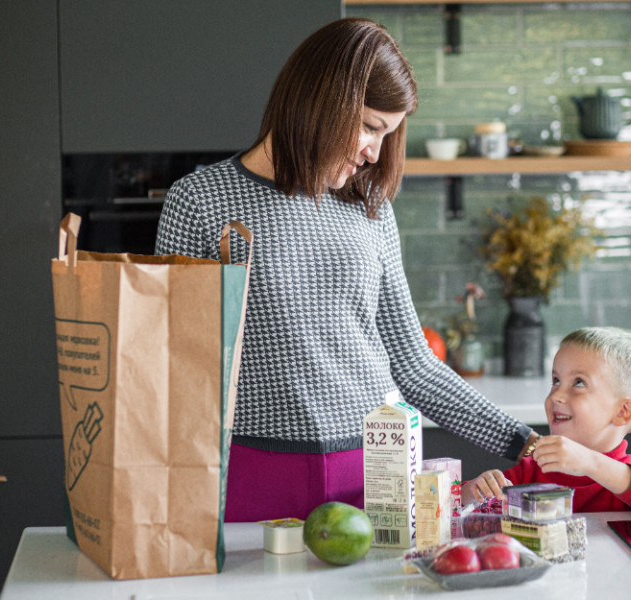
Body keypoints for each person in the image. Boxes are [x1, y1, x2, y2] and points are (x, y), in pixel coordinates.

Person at [155, 17, 539, 522]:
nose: (375, 153)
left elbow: (413, 363)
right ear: (319, 102)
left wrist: (527, 443)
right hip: (249, 471)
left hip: (377, 468)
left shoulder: (370, 204)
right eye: (369, 126)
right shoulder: (200, 202)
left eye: (389, 134)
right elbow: (178, 370)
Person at [461, 327, 631, 523]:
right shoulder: (530, 471)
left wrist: (590, 462)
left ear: (622, 412)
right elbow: (455, 507)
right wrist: (474, 492)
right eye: (556, 380)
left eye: (579, 383)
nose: (556, 395)